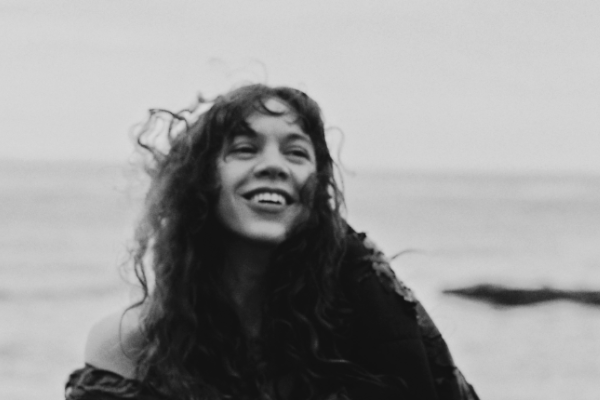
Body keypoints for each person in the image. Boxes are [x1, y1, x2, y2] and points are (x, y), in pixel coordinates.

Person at [65, 84, 479, 400]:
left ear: (316, 188)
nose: (274, 166)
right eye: (245, 149)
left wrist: (362, 260)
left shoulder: (362, 321)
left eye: (296, 153)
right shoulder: (131, 345)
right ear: (202, 180)